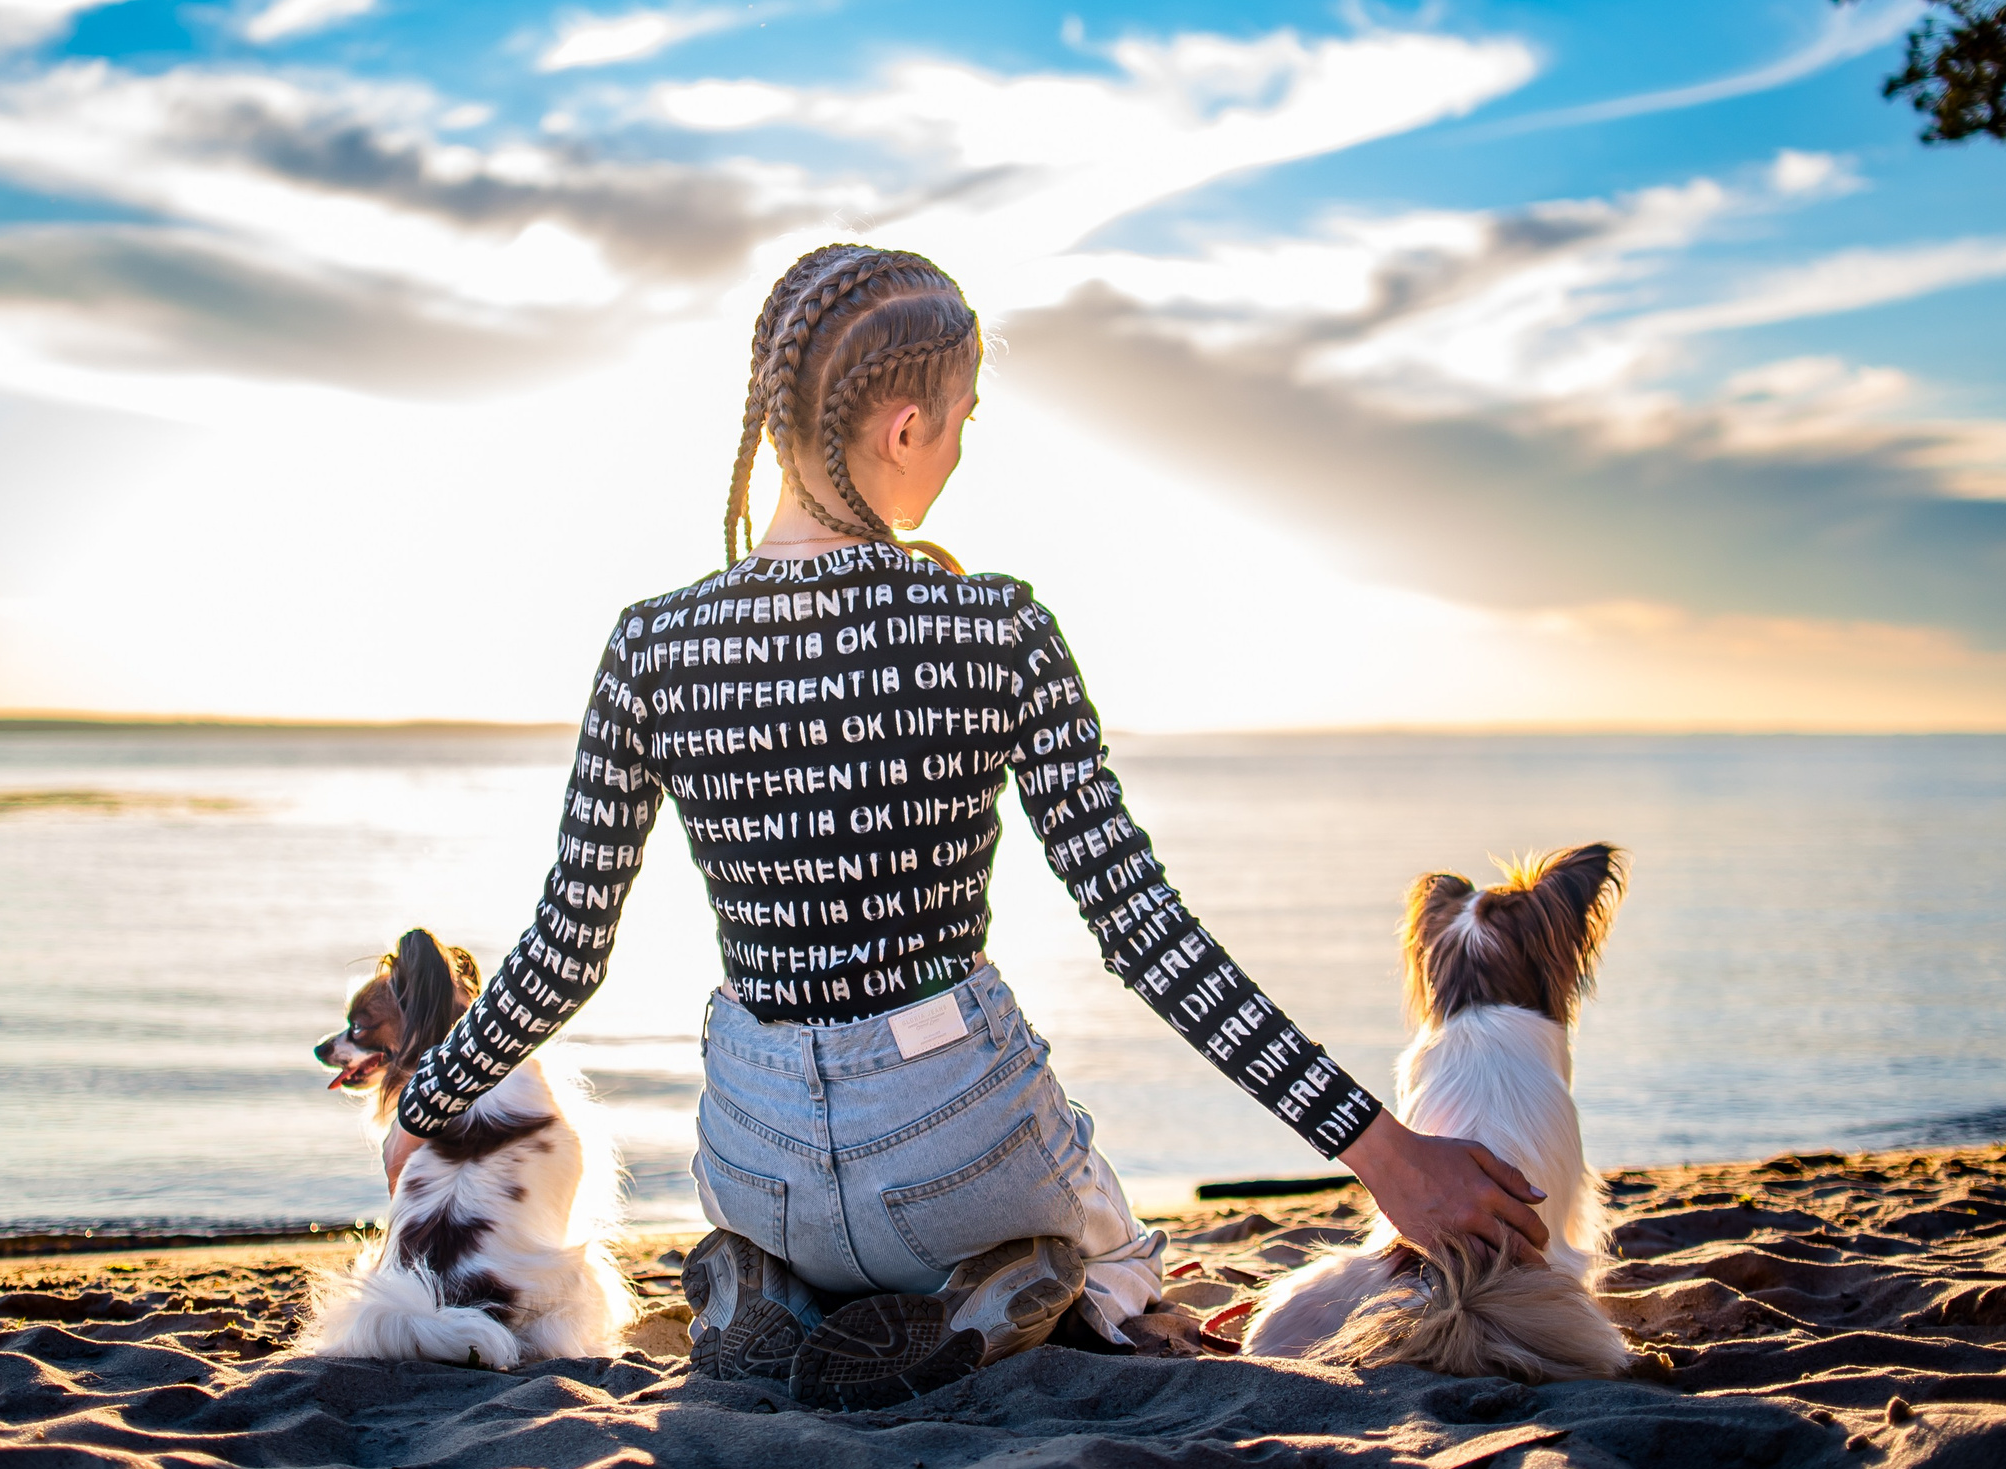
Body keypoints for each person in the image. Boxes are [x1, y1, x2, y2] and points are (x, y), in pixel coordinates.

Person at [382, 244, 1549, 1409]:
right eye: (957, 420)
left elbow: (566, 950)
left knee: (812, 1189)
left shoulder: (650, 643)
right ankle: (1043, 1284)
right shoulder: (995, 624)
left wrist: (428, 1103)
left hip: (757, 1161)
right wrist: (1389, 1154)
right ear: (900, 427)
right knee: (1093, 1218)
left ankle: (779, 1291)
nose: (955, 451)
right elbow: (1145, 936)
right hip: (955, 1149)